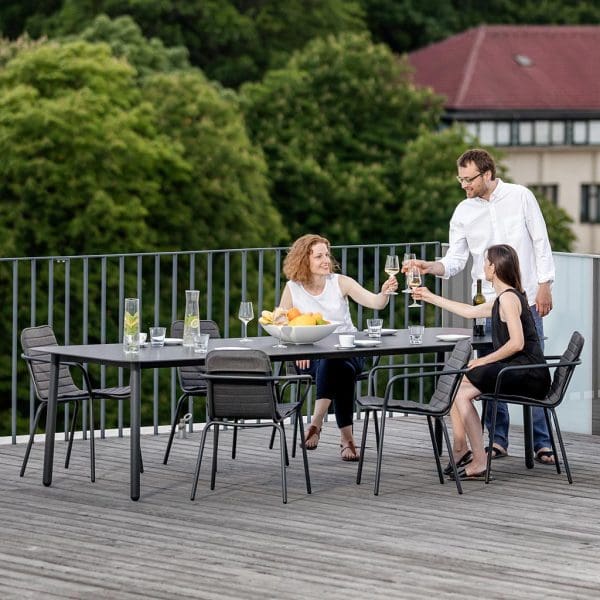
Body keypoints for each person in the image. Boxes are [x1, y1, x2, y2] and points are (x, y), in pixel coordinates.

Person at [408, 148, 556, 465]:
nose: (464, 185)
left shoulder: (520, 197)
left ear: (486, 174)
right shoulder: (463, 212)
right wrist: (428, 266)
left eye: (468, 179)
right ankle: (496, 440)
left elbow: (541, 241)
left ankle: (541, 443)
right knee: (490, 371)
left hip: (525, 299)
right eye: (460, 179)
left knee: (531, 363)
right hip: (487, 304)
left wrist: (545, 283)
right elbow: (455, 262)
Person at [413, 244, 551, 479]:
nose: (482, 266)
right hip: (518, 370)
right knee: (458, 386)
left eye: (485, 262)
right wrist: (429, 296)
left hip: (528, 374)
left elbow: (517, 343)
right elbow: (468, 311)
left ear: (494, 267)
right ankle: (464, 449)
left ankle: (475, 458)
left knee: (461, 388)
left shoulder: (508, 299)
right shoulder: (505, 297)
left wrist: (484, 360)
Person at [279, 234, 398, 461]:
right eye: (319, 256)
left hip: (349, 351)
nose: (326, 260)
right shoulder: (293, 288)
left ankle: (315, 423)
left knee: (336, 361)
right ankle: (347, 439)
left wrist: (385, 292)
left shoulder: (340, 282)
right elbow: (281, 321)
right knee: (339, 368)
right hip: (310, 357)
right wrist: (299, 345)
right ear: (304, 260)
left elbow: (375, 303)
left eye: (327, 254)